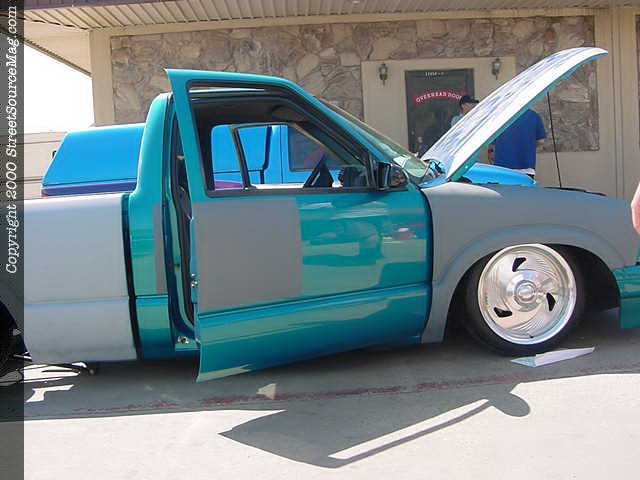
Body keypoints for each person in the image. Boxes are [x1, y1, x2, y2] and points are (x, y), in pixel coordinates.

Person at [493, 109, 546, 179]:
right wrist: (529, 146)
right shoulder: (534, 115)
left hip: (502, 167)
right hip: (526, 167)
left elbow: (491, 141)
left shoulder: (499, 115)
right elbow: (541, 141)